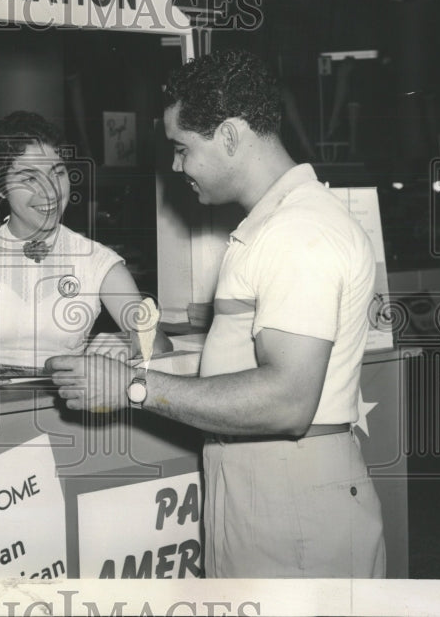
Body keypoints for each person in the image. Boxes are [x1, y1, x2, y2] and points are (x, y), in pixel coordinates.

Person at [47, 50, 386, 578]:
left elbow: (288, 399)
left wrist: (133, 387)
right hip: (265, 486)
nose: (177, 165)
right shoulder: (276, 224)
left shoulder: (298, 233)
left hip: (289, 496)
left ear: (229, 136)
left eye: (183, 148)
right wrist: (140, 356)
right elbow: (245, 364)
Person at [0, 111, 168, 387]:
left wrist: (129, 341)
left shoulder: (96, 260)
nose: (51, 191)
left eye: (57, 172)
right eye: (30, 178)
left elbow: (161, 343)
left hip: (72, 407)